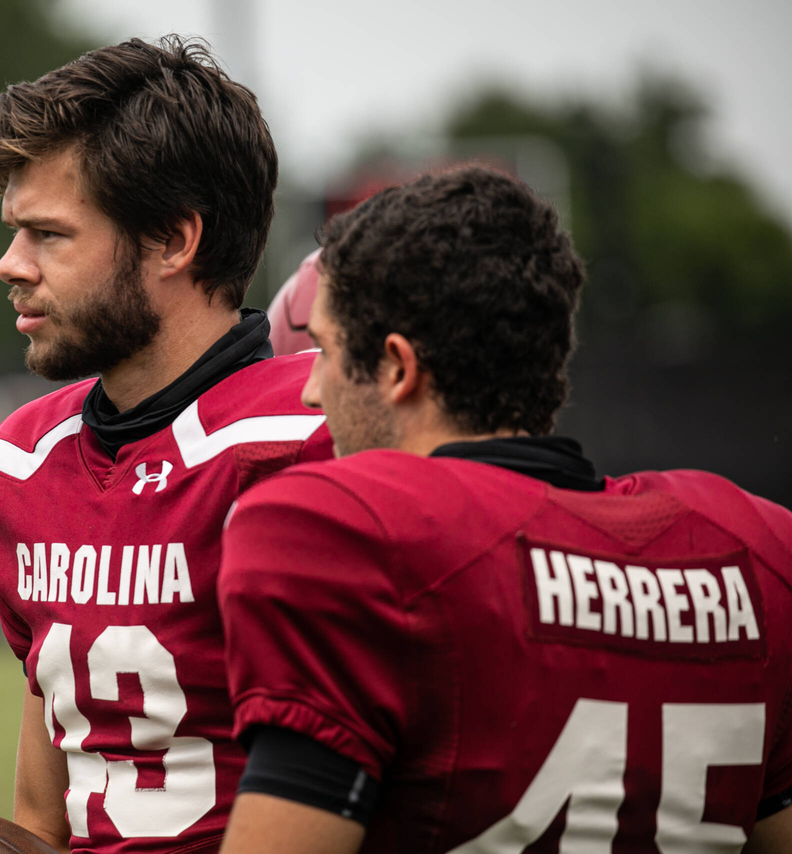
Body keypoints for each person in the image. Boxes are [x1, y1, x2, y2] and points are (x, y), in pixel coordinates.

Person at [216, 166, 792, 853]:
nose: (309, 391)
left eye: (327, 352)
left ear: (398, 369)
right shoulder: (756, 549)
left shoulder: (343, 535)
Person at [0, 36, 332, 854]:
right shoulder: (16, 466)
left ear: (173, 240)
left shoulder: (312, 443)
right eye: (12, 231)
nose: (8, 264)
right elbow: (41, 818)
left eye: (48, 235)